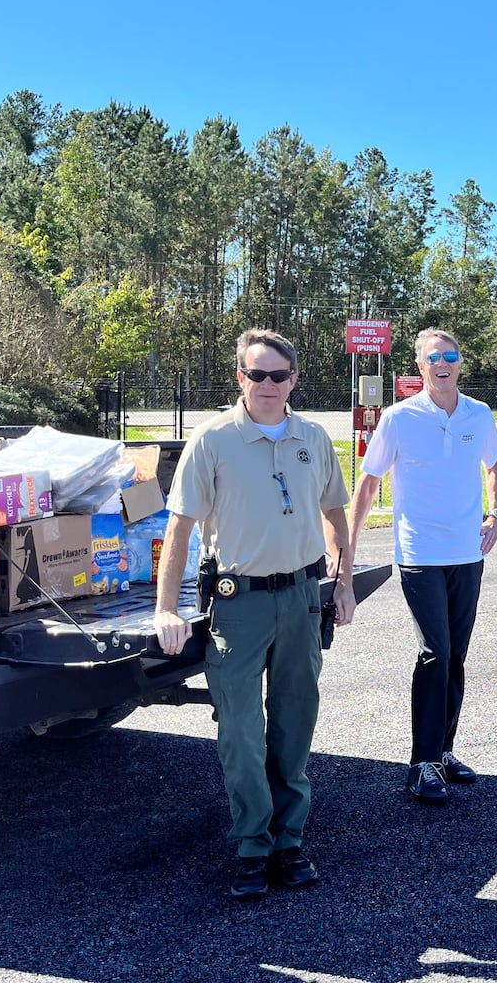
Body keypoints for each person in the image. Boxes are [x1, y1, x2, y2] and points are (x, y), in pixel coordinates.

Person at [154, 329, 356, 899]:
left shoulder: (312, 438)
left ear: (294, 379)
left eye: (279, 375)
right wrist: (166, 610)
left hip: (299, 598)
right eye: (256, 374)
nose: (268, 385)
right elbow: (179, 529)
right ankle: (252, 843)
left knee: (295, 723)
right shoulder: (212, 440)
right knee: (241, 731)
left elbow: (335, 517)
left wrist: (340, 585)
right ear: (240, 378)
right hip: (237, 604)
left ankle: (289, 840)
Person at [349, 327, 497, 804]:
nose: (443, 363)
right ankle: (421, 763)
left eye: (451, 355)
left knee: (456, 654)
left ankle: (443, 753)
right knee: (434, 652)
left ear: (460, 363)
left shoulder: (478, 414)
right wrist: (348, 547)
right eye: (433, 357)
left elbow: (495, 464)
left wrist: (495, 513)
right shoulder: (398, 419)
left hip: (467, 553)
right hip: (419, 555)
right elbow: (369, 480)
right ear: (420, 367)